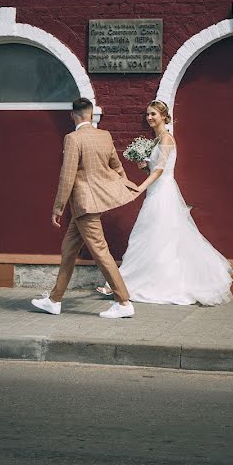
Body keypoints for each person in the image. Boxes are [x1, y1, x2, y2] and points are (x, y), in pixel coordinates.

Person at [98, 99, 233, 306]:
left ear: (163, 116)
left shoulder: (167, 139)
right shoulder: (157, 140)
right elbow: (154, 169)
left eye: (153, 114)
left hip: (162, 193)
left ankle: (122, 284)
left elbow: (161, 171)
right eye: (147, 115)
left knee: (149, 236)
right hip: (156, 191)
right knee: (150, 237)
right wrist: (144, 166)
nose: (149, 118)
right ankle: (123, 284)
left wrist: (139, 187)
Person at [31, 97, 140, 319]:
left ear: (73, 115)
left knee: (100, 251)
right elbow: (117, 167)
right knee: (69, 250)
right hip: (91, 204)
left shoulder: (72, 138)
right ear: (91, 114)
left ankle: (123, 302)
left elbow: (67, 175)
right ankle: (54, 300)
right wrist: (120, 188)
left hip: (84, 205)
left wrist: (58, 208)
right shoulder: (105, 136)